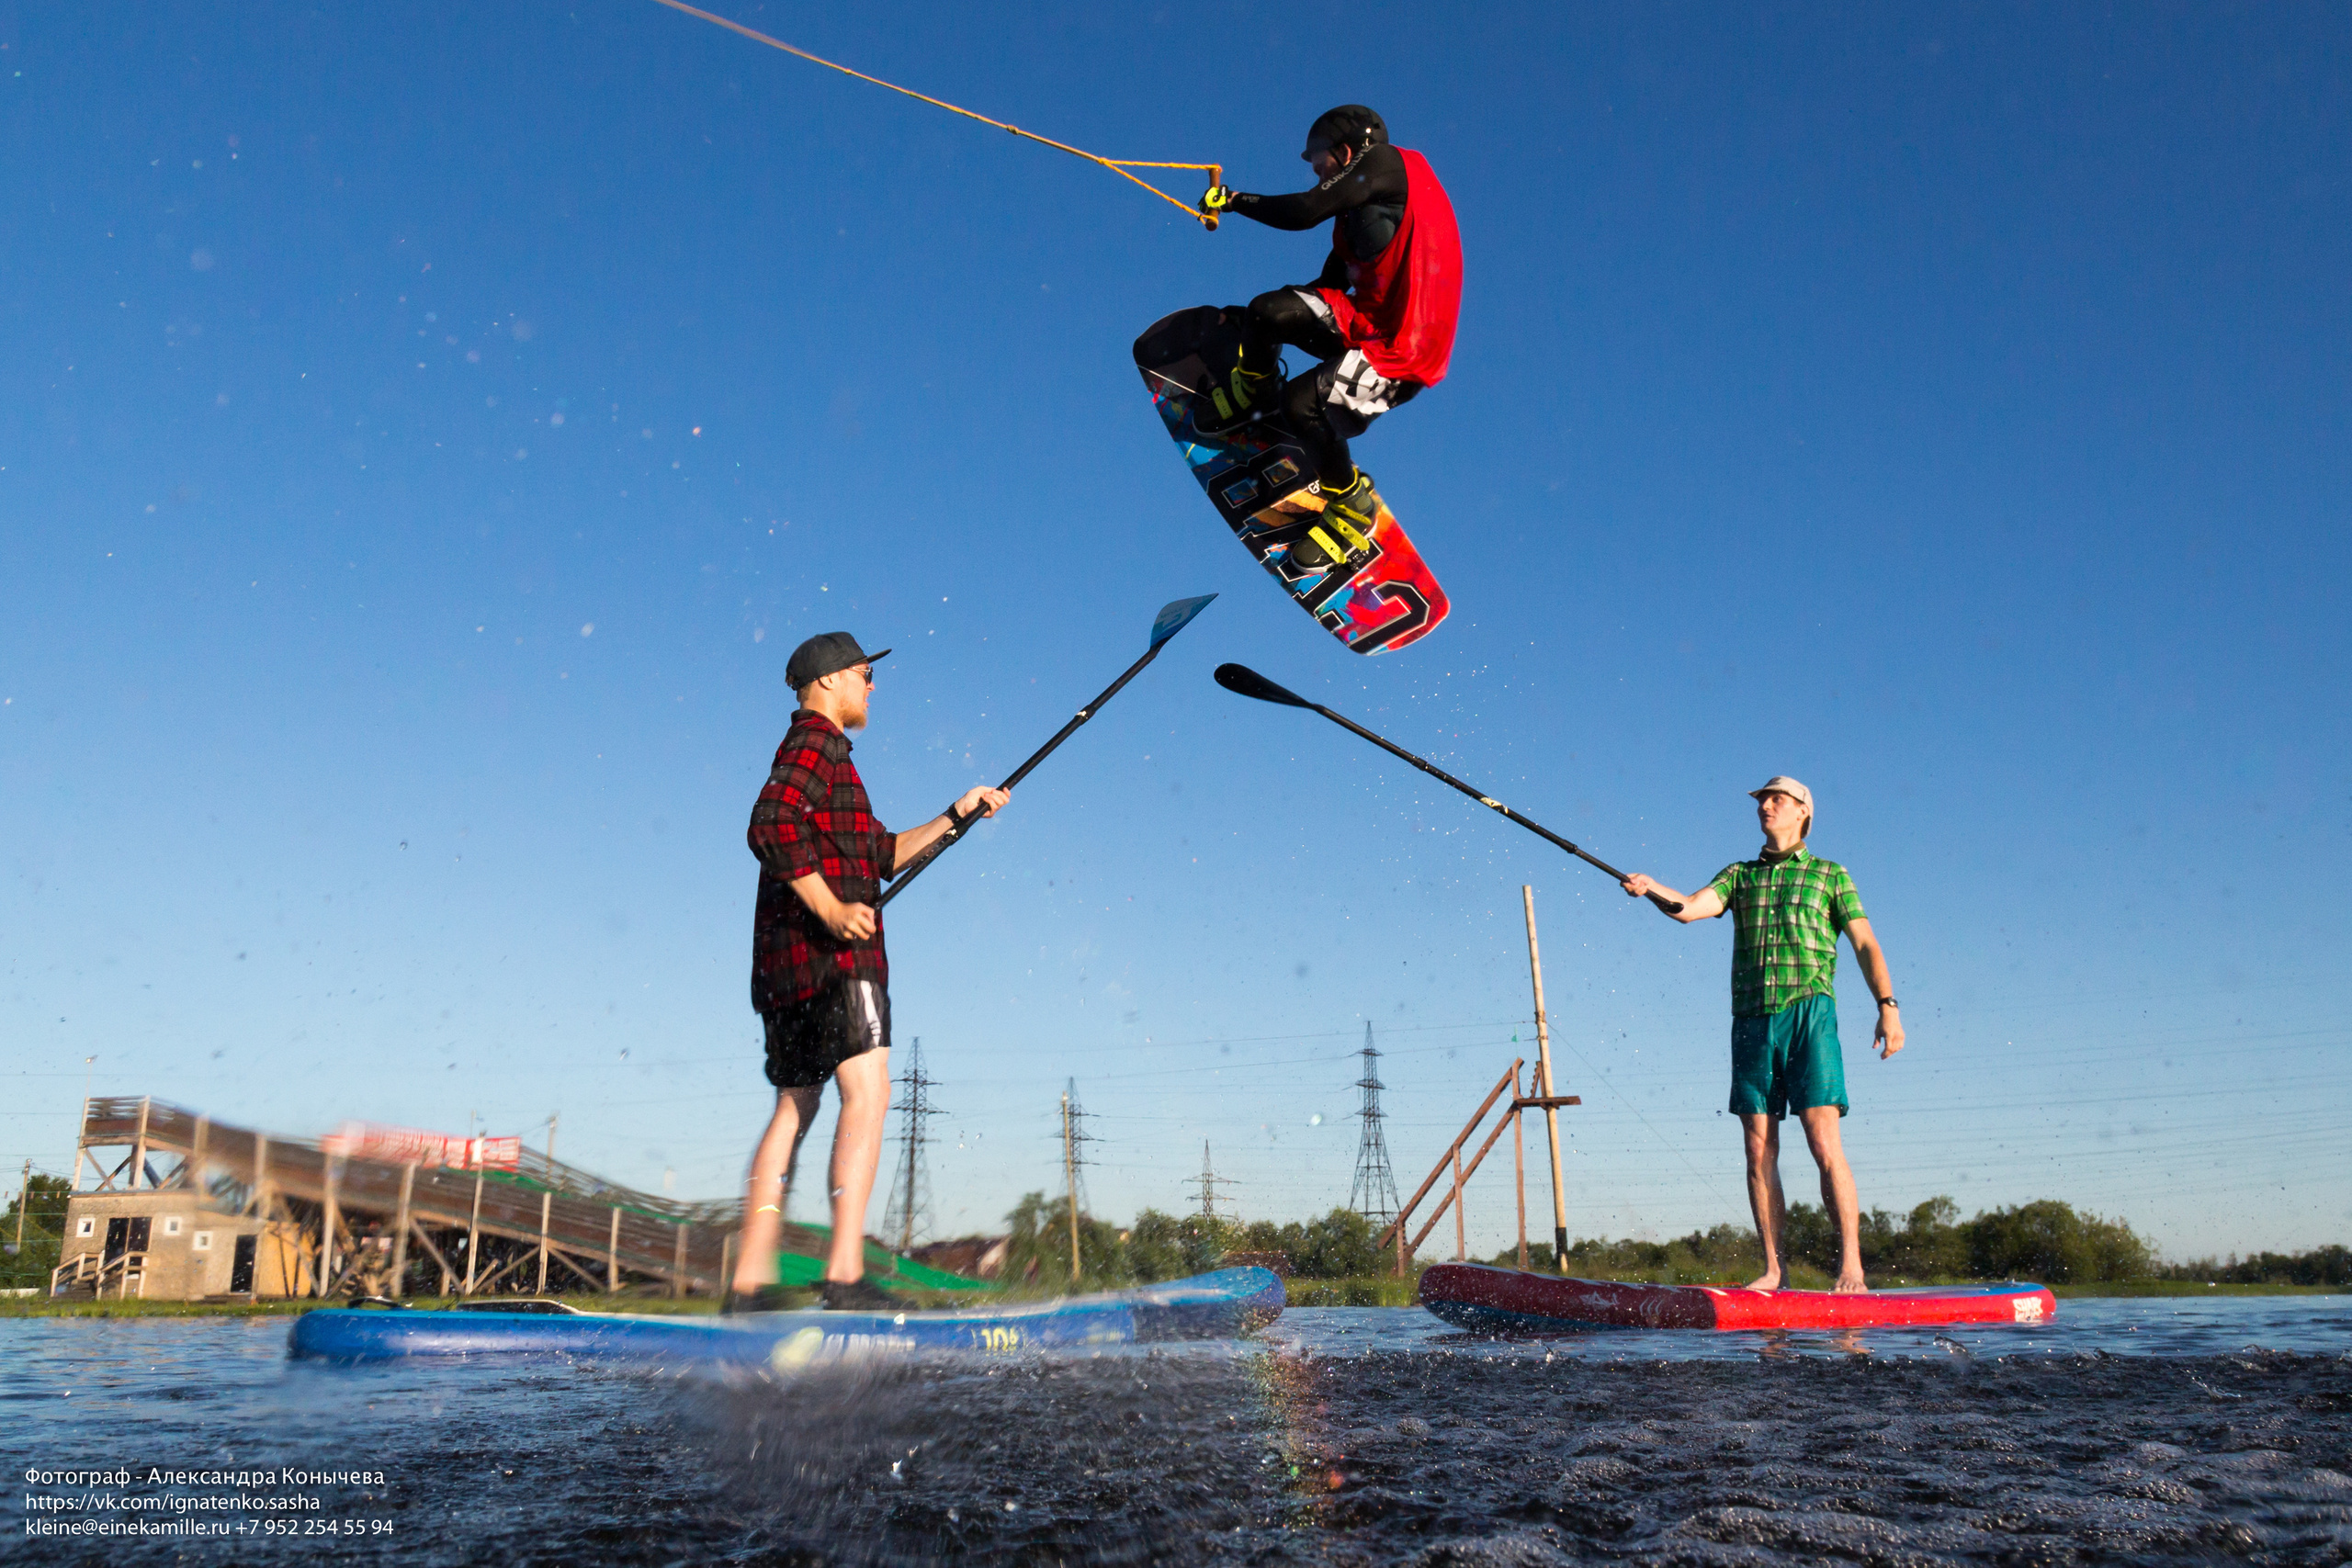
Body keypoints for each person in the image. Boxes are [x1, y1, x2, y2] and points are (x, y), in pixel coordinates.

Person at [729, 631, 1010, 1313]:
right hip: (836, 960)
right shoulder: (817, 743)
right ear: (829, 681)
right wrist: (829, 907)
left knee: (796, 1105)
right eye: (863, 673)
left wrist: (956, 814)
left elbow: (882, 854)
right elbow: (769, 824)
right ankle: (845, 1274)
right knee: (870, 1091)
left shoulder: (823, 758)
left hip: (784, 967)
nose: (872, 685)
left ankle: (748, 1283)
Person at [1617, 778, 1905, 1293]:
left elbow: (1865, 943)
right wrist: (1652, 887)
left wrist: (1888, 1007)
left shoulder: (1830, 874)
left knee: (1822, 1140)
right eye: (1762, 801)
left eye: (1777, 800)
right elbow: (1689, 908)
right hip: (1751, 1019)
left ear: (1803, 812)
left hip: (1809, 1013)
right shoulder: (1739, 875)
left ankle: (1852, 1267)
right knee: (1757, 1148)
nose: (1766, 806)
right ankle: (1775, 1269)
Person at [1195, 105, 1463, 572]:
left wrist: (1234, 200)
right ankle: (1254, 396)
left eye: (1317, 160)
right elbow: (1326, 291)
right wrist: (1257, 327)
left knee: (1302, 404)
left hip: (1407, 349)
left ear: (1345, 151)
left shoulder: (1387, 163)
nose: (1315, 171)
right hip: (1365, 319)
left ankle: (1351, 504)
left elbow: (1304, 211)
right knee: (1267, 312)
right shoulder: (1357, 214)